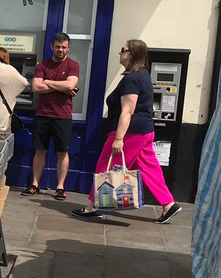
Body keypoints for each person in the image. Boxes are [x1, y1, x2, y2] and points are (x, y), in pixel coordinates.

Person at [72, 39, 181, 223]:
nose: (120, 53)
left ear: (132, 54)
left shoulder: (132, 79)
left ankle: (93, 206)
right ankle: (168, 204)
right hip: (144, 131)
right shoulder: (143, 75)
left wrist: (119, 139)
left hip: (130, 133)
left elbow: (127, 111)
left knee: (104, 166)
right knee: (149, 168)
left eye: (123, 50)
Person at [24, 33, 79, 199]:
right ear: (51, 47)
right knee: (40, 150)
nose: (60, 50)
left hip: (63, 115)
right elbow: (36, 88)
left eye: (63, 47)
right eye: (57, 47)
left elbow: (71, 84)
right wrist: (60, 87)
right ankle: (35, 184)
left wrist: (47, 82)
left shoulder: (73, 65)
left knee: (62, 152)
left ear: (68, 48)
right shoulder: (42, 65)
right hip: (43, 114)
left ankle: (60, 187)